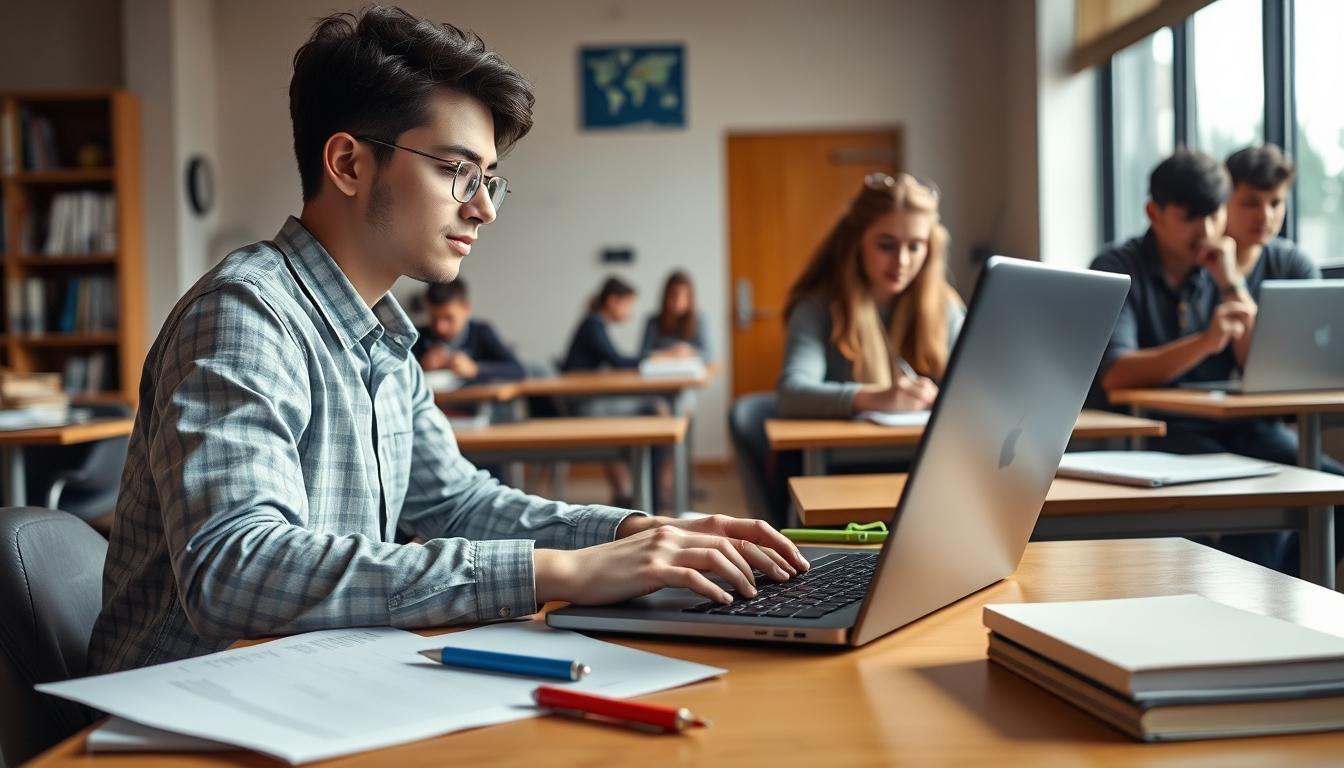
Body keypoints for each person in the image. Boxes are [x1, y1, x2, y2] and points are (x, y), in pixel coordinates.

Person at [89, 6, 807, 675]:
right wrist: (557, 571)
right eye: (458, 171)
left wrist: (631, 533)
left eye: (489, 178)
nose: (485, 207)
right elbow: (235, 569)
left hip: (312, 680)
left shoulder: (383, 338)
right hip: (183, 708)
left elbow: (458, 503)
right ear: (348, 164)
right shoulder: (246, 312)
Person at [1090, 148, 1342, 573]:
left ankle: (1282, 592)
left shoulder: (1217, 266)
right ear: (1154, 213)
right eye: (1190, 217)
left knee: (1333, 488)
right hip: (1162, 429)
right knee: (1263, 488)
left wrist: (1231, 282)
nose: (1206, 231)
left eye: (1213, 215)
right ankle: (1254, 597)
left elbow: (1259, 365)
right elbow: (1117, 374)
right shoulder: (1117, 266)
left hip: (1239, 428)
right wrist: (1204, 343)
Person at [777, 172, 965, 418]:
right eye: (886, 245)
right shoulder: (816, 309)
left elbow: (974, 387)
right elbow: (791, 394)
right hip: (847, 444)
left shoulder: (944, 307)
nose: (902, 261)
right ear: (856, 242)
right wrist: (875, 398)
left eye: (914, 246)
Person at [1223, 143, 1321, 297]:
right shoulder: (1196, 263)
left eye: (1275, 203)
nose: (1265, 216)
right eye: (1251, 203)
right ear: (1223, 202)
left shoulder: (1293, 264)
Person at [413, 279, 525, 383]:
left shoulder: (481, 333)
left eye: (449, 318)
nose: (440, 327)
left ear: (466, 308)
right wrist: (420, 367)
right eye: (434, 318)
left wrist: (475, 369)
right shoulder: (416, 337)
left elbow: (517, 370)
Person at [640, 270, 711, 361]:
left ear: (690, 298)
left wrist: (688, 352)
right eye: (674, 296)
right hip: (661, 369)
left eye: (684, 296)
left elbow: (709, 354)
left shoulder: (699, 320)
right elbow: (642, 354)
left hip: (689, 368)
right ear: (665, 296)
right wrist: (669, 353)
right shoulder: (653, 322)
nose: (678, 302)